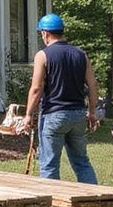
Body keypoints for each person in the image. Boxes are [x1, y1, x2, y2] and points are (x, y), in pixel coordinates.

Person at [21, 13, 99, 184]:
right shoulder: (81, 54)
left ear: (45, 33)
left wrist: (28, 114)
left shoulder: (43, 55)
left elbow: (36, 88)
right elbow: (93, 85)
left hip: (54, 115)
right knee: (82, 162)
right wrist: (91, 112)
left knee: (49, 165)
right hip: (78, 114)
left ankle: (53, 206)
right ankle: (95, 201)